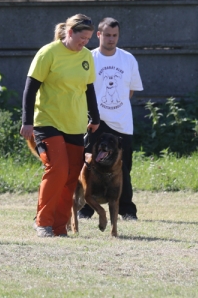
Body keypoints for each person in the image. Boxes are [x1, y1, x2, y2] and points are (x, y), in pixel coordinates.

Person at [20, 14, 100, 237]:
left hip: (75, 124)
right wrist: (27, 122)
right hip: (48, 121)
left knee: (71, 176)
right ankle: (42, 222)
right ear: (70, 32)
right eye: (81, 38)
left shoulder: (86, 57)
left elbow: (89, 88)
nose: (84, 43)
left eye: (88, 39)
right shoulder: (48, 53)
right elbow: (30, 89)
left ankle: (58, 227)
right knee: (57, 170)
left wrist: (95, 117)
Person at [78, 17, 143, 221]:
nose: (111, 39)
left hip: (122, 123)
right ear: (99, 35)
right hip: (95, 121)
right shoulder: (88, 57)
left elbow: (130, 91)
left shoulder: (128, 59)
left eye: (115, 35)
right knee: (90, 166)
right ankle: (86, 208)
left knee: (123, 168)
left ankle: (127, 210)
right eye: (107, 35)